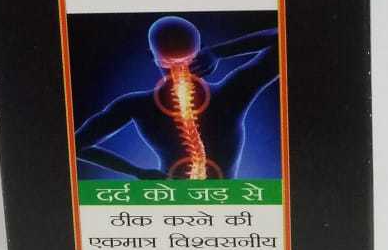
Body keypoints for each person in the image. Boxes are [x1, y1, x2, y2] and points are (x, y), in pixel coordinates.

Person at [75, 16, 279, 180]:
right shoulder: (231, 94)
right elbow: (75, 145)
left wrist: (219, 52)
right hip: (180, 200)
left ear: (152, 55)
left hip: (219, 203)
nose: (179, 69)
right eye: (172, 62)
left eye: (185, 60)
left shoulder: (137, 105)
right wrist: (137, 172)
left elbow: (283, 37)